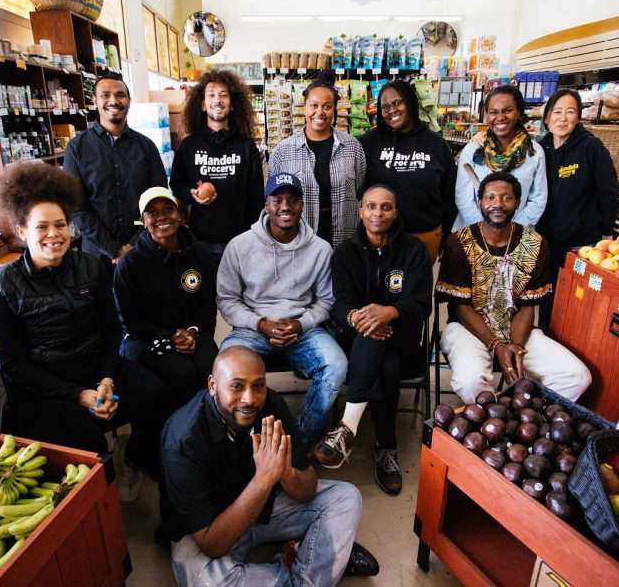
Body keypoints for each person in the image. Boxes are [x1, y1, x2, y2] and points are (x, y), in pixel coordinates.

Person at [161, 346, 379, 585]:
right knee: (210, 581)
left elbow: (307, 488)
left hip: (264, 507)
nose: (249, 399)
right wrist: (264, 478)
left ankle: (303, 567)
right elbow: (212, 545)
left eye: (258, 385)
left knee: (346, 497)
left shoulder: (272, 406)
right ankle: (312, 565)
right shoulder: (183, 440)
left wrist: (286, 473)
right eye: (237, 386)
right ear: (213, 385)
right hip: (210, 527)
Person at [0, 162, 133, 453]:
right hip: (44, 392)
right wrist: (78, 395)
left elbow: (112, 329)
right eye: (42, 227)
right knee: (88, 440)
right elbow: (13, 365)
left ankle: (138, 456)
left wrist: (106, 380)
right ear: (22, 231)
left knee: (157, 391)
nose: (54, 234)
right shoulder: (2, 288)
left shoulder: (91, 267)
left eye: (60, 224)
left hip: (95, 374)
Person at [216, 172, 346, 454]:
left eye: (292, 200)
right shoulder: (239, 246)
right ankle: (241, 446)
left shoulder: (321, 250)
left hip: (303, 329)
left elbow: (326, 300)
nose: (285, 207)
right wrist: (260, 323)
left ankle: (296, 446)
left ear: (302, 204)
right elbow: (227, 299)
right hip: (253, 329)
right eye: (277, 200)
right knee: (226, 366)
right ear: (266, 203)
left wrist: (301, 324)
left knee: (336, 365)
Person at [314, 185, 431, 495]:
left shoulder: (414, 250)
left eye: (385, 207)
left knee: (384, 351)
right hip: (357, 342)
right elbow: (338, 305)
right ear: (360, 211)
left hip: (403, 339)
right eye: (371, 206)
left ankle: (347, 428)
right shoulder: (345, 253)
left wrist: (389, 312)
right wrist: (358, 317)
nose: (378, 213)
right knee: (385, 365)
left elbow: (421, 304)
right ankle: (386, 447)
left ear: (396, 212)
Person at [437, 171, 591, 403]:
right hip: (467, 329)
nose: (497, 204)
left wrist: (515, 347)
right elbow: (461, 307)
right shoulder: (459, 241)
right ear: (479, 202)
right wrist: (497, 346)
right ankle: (490, 419)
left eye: (506, 198)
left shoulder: (535, 244)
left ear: (518, 202)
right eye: (490, 197)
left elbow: (528, 306)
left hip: (517, 329)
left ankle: (525, 417)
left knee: (576, 377)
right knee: (470, 381)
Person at [113, 186, 218, 478]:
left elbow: (208, 302)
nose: (162, 217)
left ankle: (205, 437)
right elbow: (129, 320)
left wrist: (193, 332)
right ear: (143, 220)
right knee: (180, 373)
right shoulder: (131, 264)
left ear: (179, 214)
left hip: (193, 332)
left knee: (211, 365)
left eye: (168, 209)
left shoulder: (199, 253)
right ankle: (163, 447)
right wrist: (171, 336)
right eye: (152, 213)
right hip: (145, 338)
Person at [536, 88, 619, 330]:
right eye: (557, 112)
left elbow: (608, 192)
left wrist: (607, 232)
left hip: (581, 244)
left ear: (578, 117)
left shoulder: (591, 148)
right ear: (547, 118)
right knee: (547, 299)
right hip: (546, 243)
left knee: (577, 301)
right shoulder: (539, 149)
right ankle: (546, 341)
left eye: (570, 112)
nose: (563, 118)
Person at [63, 76, 167, 262]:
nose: (113, 101)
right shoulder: (77, 148)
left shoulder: (146, 147)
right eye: (105, 95)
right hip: (97, 255)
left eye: (120, 95)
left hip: (143, 249)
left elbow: (158, 199)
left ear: (129, 101)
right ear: (94, 101)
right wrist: (113, 249)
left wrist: (134, 244)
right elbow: (76, 207)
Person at [170, 70, 265, 265]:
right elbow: (176, 184)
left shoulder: (246, 146)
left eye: (223, 95)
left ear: (232, 104)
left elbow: (256, 197)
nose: (217, 100)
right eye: (211, 95)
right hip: (201, 241)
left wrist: (256, 237)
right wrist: (192, 194)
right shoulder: (189, 145)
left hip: (240, 241)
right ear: (203, 105)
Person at [360, 80, 456, 262]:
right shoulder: (368, 144)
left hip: (425, 238)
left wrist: (447, 234)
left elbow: (449, 193)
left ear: (410, 102)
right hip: (380, 238)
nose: (392, 110)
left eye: (397, 102)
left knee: (419, 281)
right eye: (385, 107)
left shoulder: (436, 144)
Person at [268, 72, 366, 248]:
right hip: (300, 239)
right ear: (304, 107)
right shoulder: (283, 150)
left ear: (334, 109)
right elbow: (273, 197)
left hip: (345, 238)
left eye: (327, 106)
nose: (319, 112)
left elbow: (359, 189)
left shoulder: (352, 147)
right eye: (313, 105)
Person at [452, 84, 547, 231]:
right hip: (473, 230)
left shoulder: (534, 152)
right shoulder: (473, 149)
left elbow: (538, 198)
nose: (500, 117)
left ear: (519, 112)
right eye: (493, 112)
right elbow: (463, 197)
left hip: (518, 232)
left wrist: (512, 229)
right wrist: (486, 228)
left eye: (508, 110)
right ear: (487, 115)